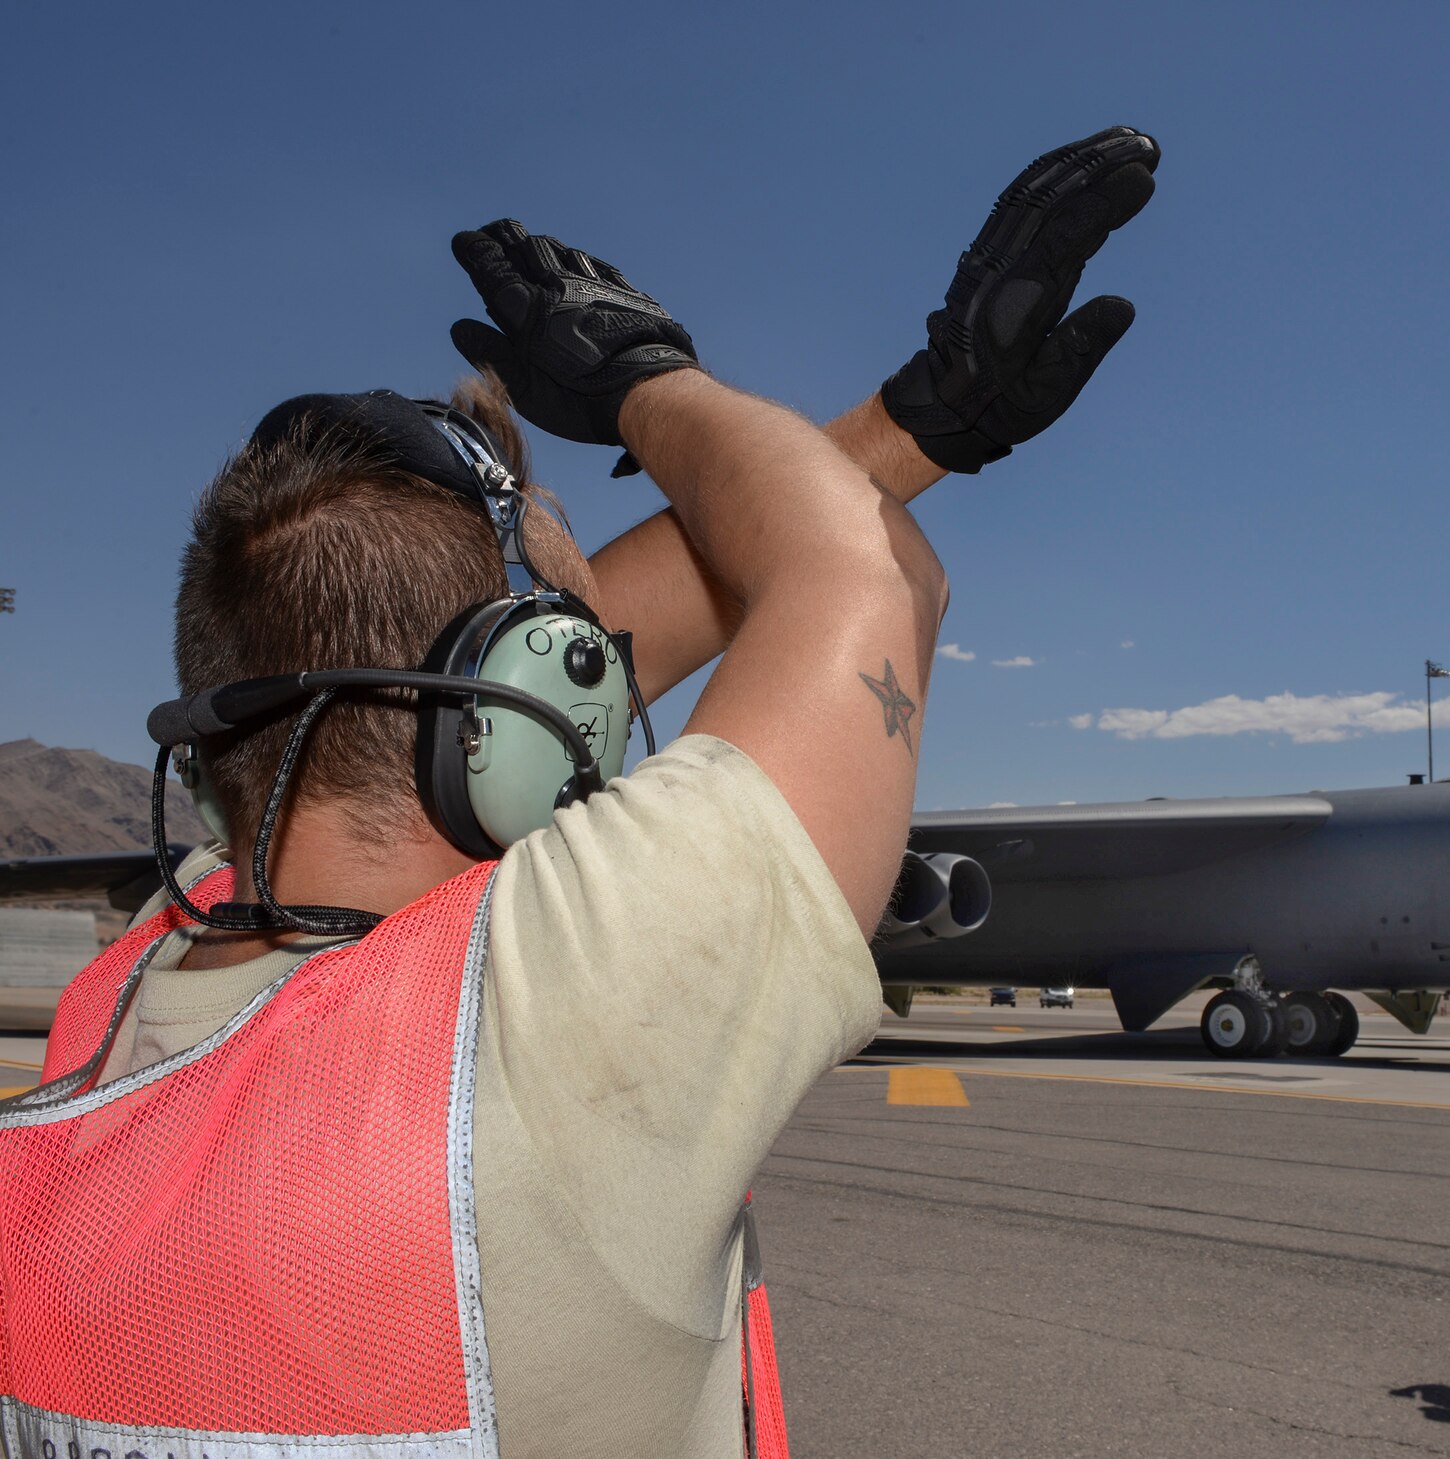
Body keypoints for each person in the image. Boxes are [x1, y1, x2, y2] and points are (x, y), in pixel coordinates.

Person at [0, 129, 1159, 1456]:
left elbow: (578, 651)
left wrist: (912, 425)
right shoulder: (551, 1021)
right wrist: (646, 385)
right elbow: (860, 572)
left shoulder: (123, 1002)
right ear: (533, 710)